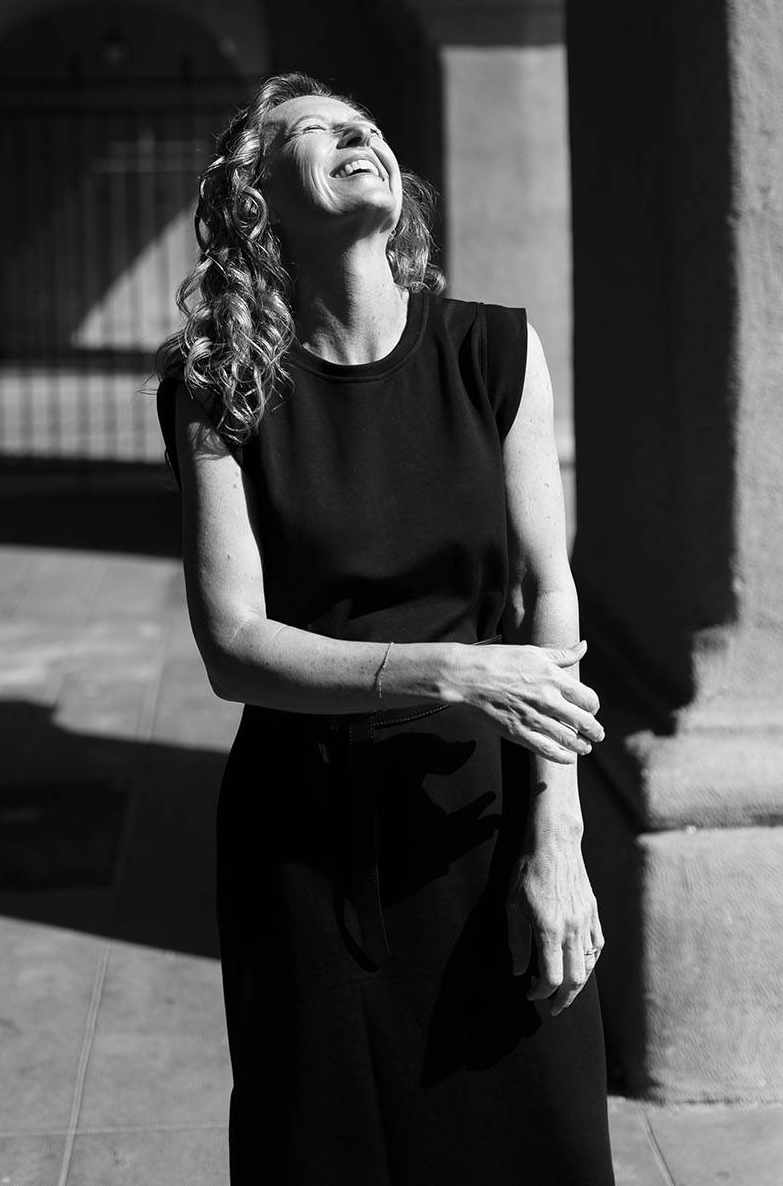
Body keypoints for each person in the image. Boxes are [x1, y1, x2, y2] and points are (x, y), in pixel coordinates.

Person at [156, 71, 615, 1186]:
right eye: (309, 133)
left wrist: (559, 837)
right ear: (256, 200)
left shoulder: (494, 352)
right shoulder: (219, 385)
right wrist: (445, 669)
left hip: (486, 812)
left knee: (538, 1147)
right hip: (306, 838)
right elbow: (233, 646)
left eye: (360, 123)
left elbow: (551, 597)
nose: (352, 133)